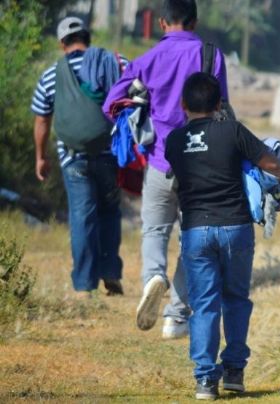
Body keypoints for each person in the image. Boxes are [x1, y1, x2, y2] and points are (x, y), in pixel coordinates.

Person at [104, 0, 230, 339]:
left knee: (154, 231)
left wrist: (142, 105)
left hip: (160, 161)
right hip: (201, 168)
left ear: (161, 23)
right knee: (193, 240)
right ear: (195, 21)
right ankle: (175, 316)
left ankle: (153, 278)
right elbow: (223, 108)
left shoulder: (148, 60)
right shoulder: (211, 55)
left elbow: (111, 104)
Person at [165, 72, 280, 400]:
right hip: (235, 228)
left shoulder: (174, 141)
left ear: (183, 105)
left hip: (196, 231)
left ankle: (206, 380)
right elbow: (272, 163)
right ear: (219, 103)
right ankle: (234, 372)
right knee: (235, 299)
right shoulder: (233, 131)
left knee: (204, 304)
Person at [31, 16, 126, 299]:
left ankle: (84, 285)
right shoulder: (112, 64)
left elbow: (42, 121)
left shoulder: (50, 75)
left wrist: (40, 157)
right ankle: (110, 272)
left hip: (73, 157)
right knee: (109, 212)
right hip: (109, 153)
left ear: (62, 44)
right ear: (88, 37)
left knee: (82, 218)